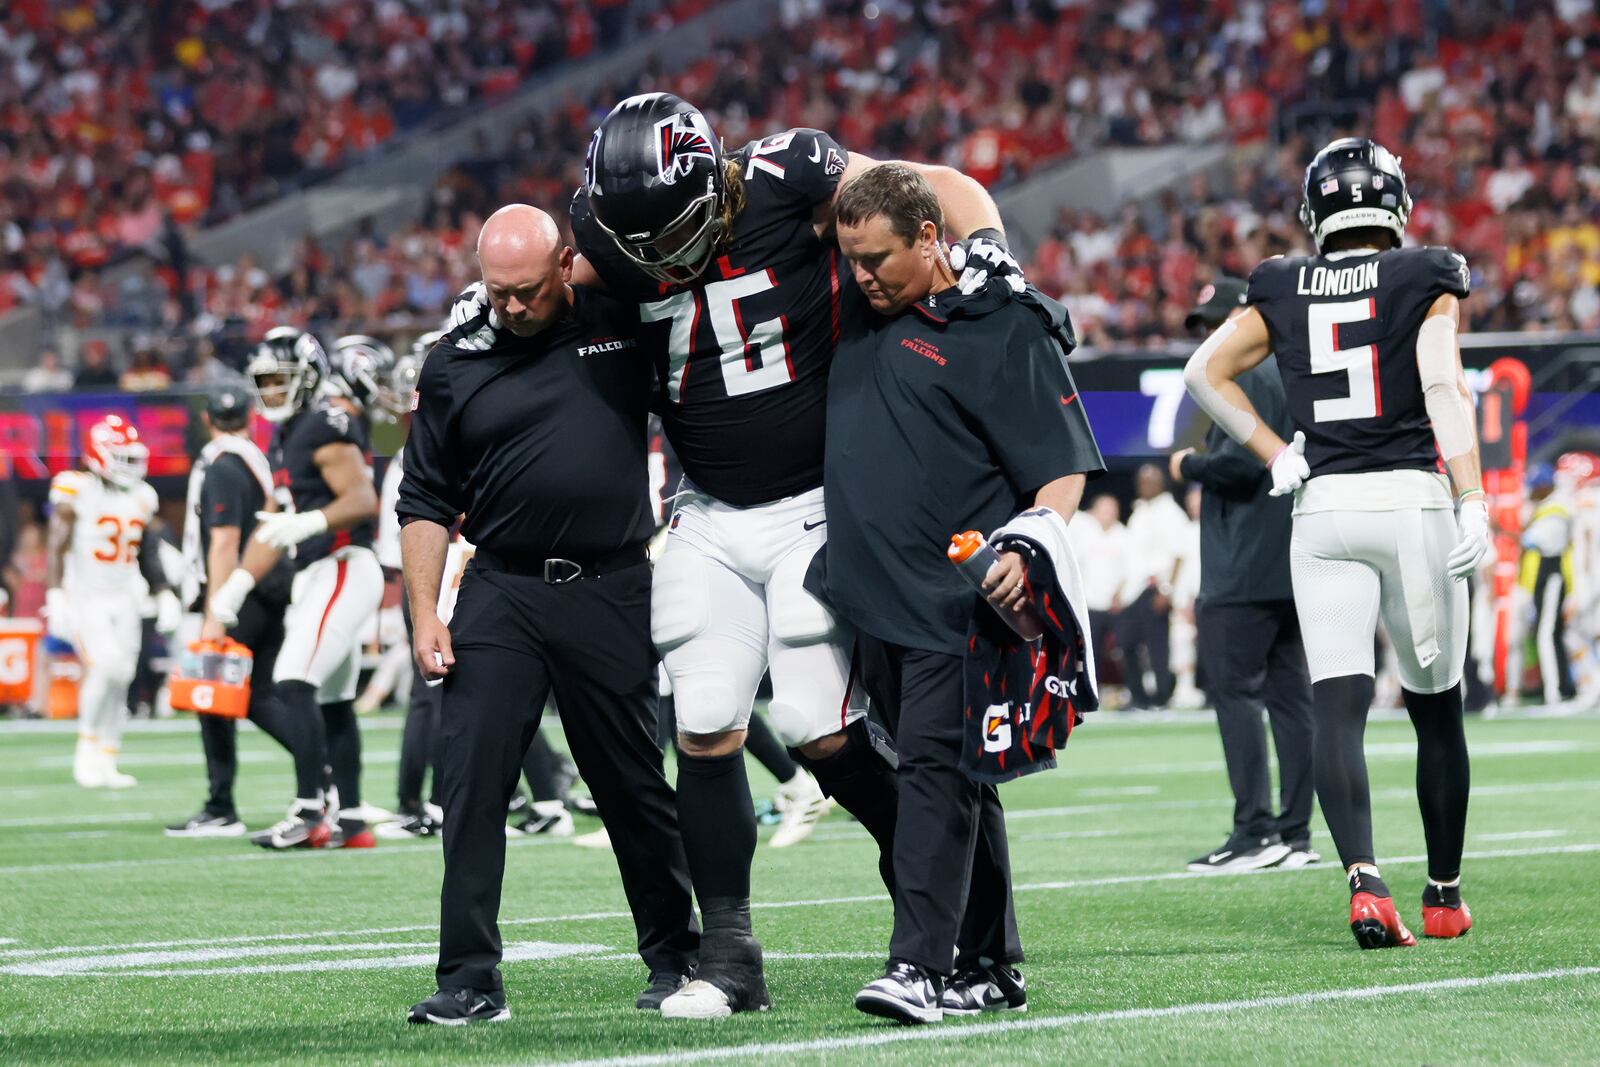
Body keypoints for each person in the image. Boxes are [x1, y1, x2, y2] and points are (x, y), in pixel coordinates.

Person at [562, 92, 1017, 1018]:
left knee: (821, 725)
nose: (655, 256)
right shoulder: (602, 226)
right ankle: (728, 958)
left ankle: (959, 919)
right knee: (705, 710)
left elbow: (934, 192)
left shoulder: (788, 173)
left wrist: (988, 253)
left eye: (672, 231)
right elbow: (563, 288)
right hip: (702, 506)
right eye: (634, 239)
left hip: (817, 497)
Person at [815, 164, 1104, 1023]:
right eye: (851, 260)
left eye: (878, 260)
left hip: (954, 602)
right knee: (958, 779)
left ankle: (918, 966)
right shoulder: (860, 313)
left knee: (937, 775)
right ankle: (991, 961)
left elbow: (1060, 470)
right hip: (871, 599)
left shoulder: (1001, 323)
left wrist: (1028, 542)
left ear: (932, 238)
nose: (861, 277)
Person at [1184, 137, 1486, 949]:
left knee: (1336, 707)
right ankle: (1443, 894)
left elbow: (1202, 372)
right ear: (1395, 205)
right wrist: (1473, 496)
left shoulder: (1282, 281)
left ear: (1318, 211)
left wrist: (1274, 452)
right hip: (1411, 500)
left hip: (1323, 511)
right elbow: (1441, 388)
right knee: (1436, 712)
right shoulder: (1426, 271)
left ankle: (1364, 881)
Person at [399, 204, 698, 1025]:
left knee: (633, 783)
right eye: (499, 293)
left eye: (528, 290)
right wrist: (425, 611)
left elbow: (656, 257)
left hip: (612, 584)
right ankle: (468, 978)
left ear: (565, 265)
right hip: (500, 588)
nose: (514, 307)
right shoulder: (453, 360)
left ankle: (678, 957)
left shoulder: (619, 319)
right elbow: (423, 497)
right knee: (471, 782)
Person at [209, 326, 385, 850]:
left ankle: (311, 810)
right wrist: (238, 584)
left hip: (343, 563)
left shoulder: (321, 424)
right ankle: (351, 818)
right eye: (262, 381)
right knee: (333, 700)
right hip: (323, 570)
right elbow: (276, 522)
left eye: (279, 380)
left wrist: (310, 524)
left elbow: (360, 499)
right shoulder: (290, 432)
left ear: (307, 379)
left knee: (291, 679)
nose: (269, 392)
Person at [1170, 277, 1316, 873]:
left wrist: (1186, 464)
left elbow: (1236, 467)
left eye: (1214, 322)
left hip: (1241, 567)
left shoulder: (1241, 376)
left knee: (1237, 697)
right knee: (1293, 701)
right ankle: (1296, 834)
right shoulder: (1295, 369)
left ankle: (1255, 832)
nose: (1209, 336)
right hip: (1295, 557)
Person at [166, 383, 318, 837]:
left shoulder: (224, 465)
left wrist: (217, 607)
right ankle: (320, 772)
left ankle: (221, 804)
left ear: (208, 420)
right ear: (249, 419)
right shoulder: (255, 459)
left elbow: (225, 541)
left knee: (222, 695)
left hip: (243, 592)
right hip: (268, 587)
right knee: (263, 694)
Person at [45, 416, 182, 788]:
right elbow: (56, 543)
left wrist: (163, 590)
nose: (128, 465)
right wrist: (55, 593)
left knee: (123, 676)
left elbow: (148, 550)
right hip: (87, 596)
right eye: (119, 456)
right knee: (106, 668)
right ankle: (85, 751)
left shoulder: (142, 496)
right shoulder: (77, 489)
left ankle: (108, 758)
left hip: (125, 596)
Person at [1113, 464, 1187, 708]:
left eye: (1149, 481)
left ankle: (1163, 694)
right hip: (1134, 589)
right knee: (1126, 640)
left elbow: (1179, 553)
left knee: (1158, 646)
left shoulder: (1171, 512)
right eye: (1141, 481)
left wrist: (1168, 590)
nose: (1143, 485)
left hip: (1157, 587)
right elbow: (1131, 557)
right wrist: (1119, 590)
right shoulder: (1139, 512)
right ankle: (1138, 696)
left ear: (1161, 483)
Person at [1519, 464, 1577, 704]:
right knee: (1550, 634)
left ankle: (1556, 690)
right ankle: (1560, 687)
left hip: (1553, 574)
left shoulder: (1555, 509)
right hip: (1546, 575)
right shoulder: (1549, 507)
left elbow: (1532, 541)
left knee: (1547, 633)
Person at [1066, 494, 1128, 694]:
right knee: (1088, 653)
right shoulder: (1084, 531)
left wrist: (1121, 593)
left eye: (1112, 509)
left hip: (1116, 605)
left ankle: (1133, 691)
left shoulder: (1122, 535)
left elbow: (1130, 570)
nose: (1108, 514)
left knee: (1125, 648)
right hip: (1088, 603)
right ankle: (1089, 690)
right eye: (1103, 509)